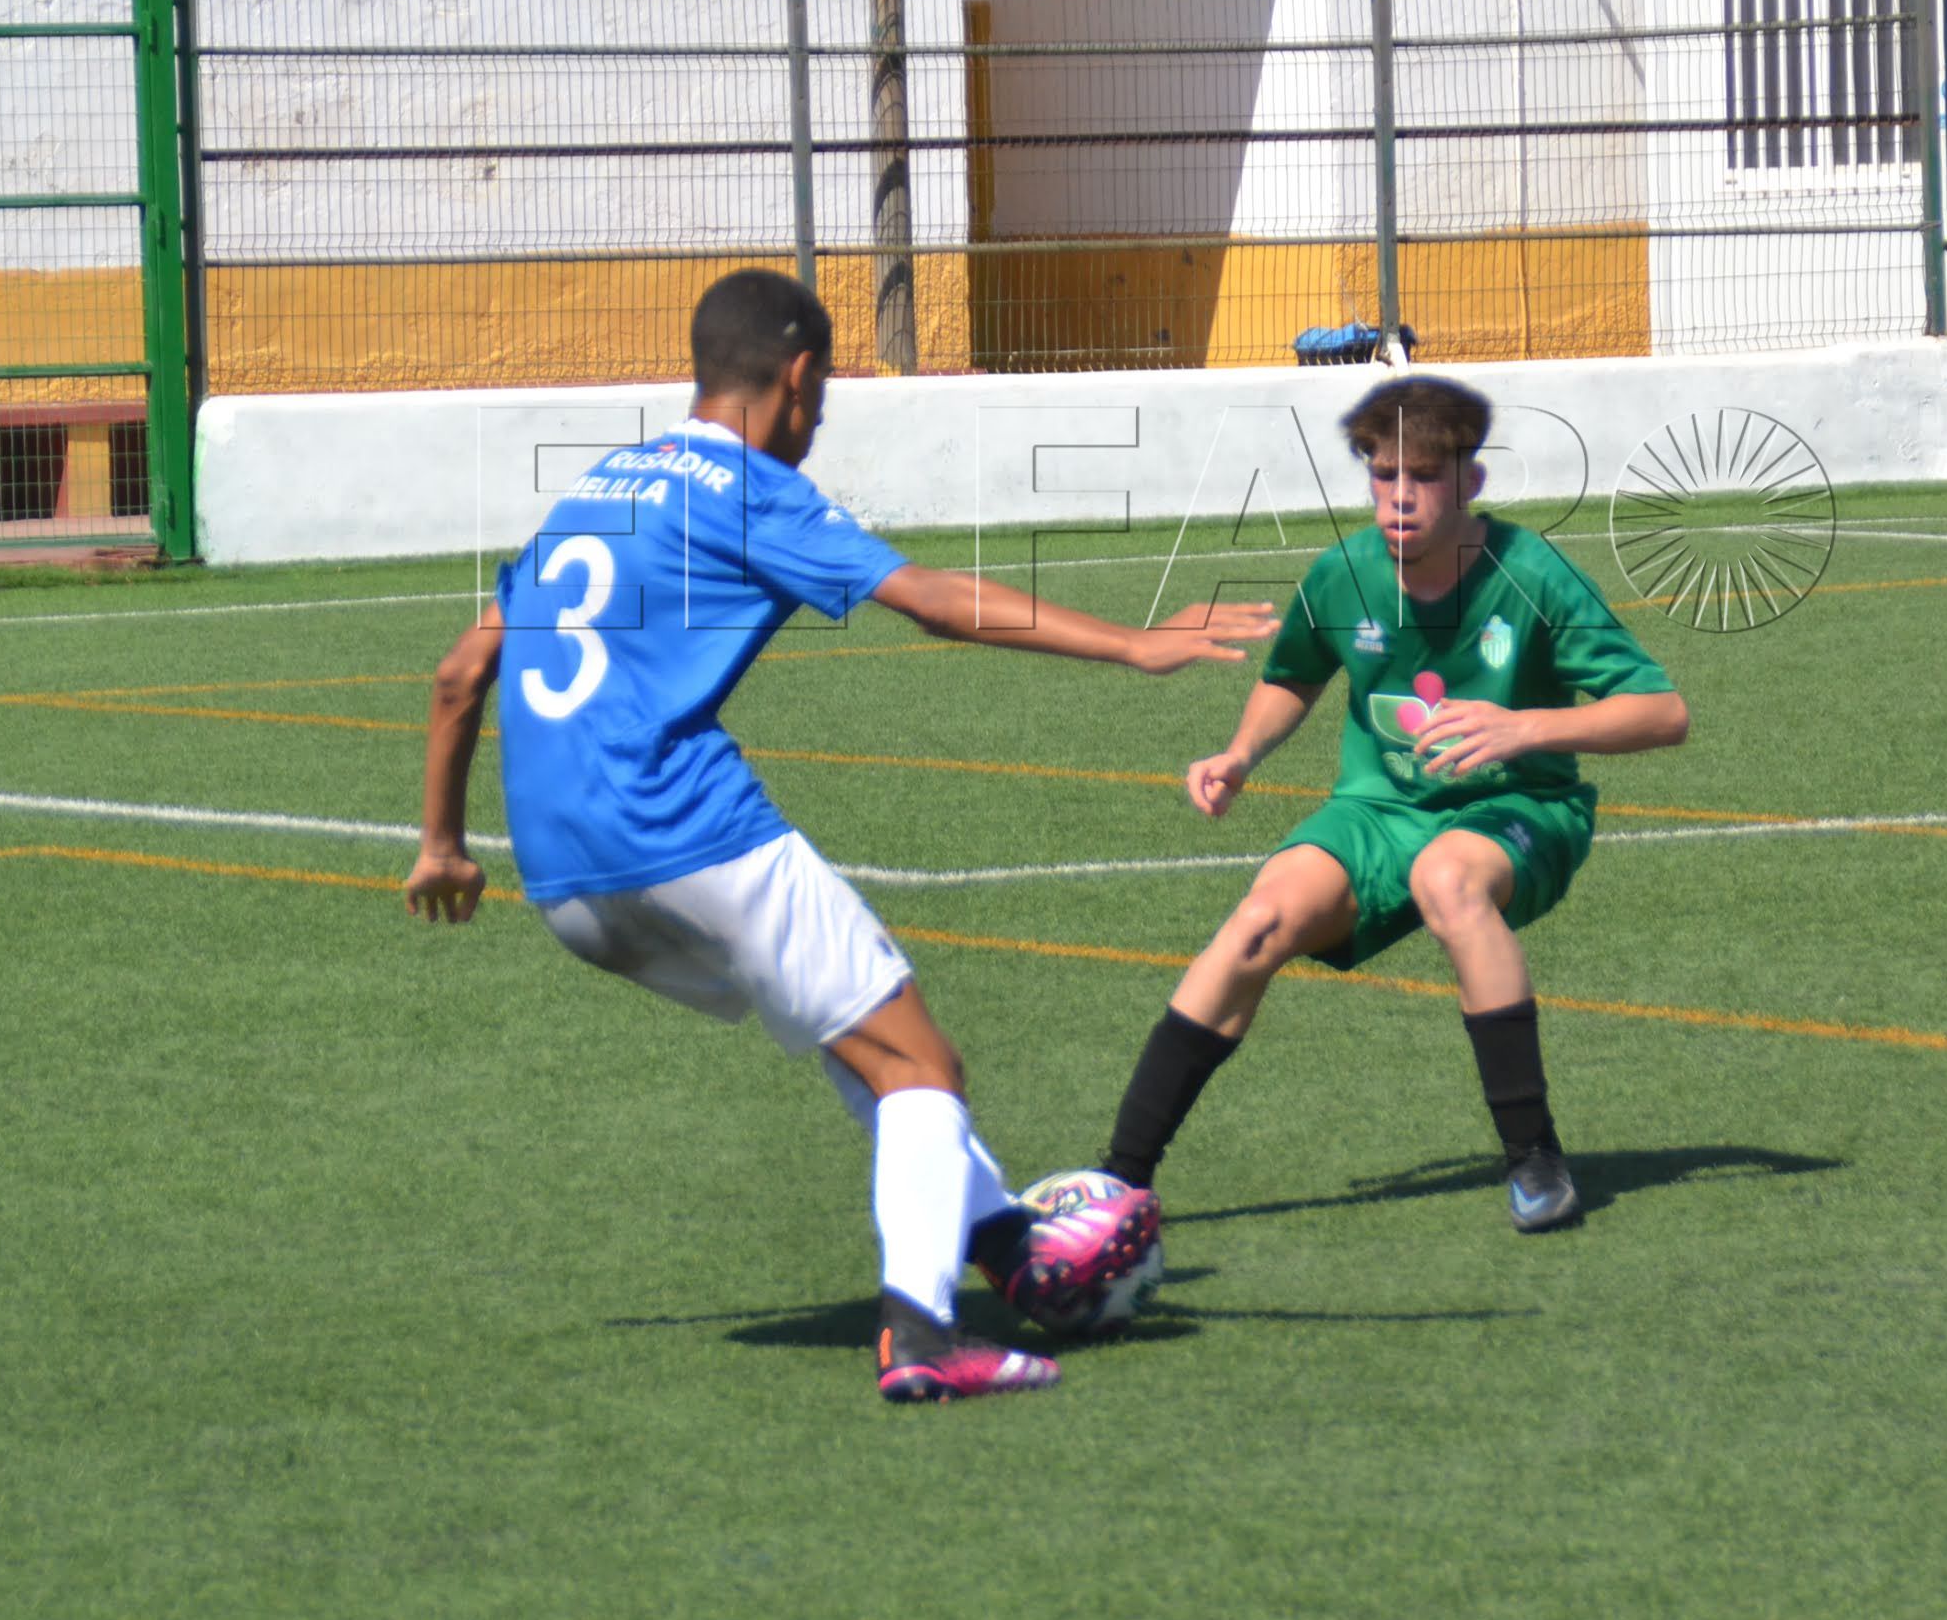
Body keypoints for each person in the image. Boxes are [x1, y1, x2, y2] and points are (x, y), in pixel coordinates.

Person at [404, 268, 1274, 1404]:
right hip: (682, 827)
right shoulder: (752, 488)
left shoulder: (599, 488)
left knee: (852, 1038)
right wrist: (1132, 644)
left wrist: (442, 846)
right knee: (922, 1064)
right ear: (801, 377)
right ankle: (924, 1338)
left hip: (567, 880)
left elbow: (460, 673)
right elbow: (927, 598)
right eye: (825, 397)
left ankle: (1007, 1245)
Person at [1093, 373, 1690, 1233]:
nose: (1399, 497)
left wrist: (1523, 729)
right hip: (1375, 811)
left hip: (1516, 807)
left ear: (1471, 482)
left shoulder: (1531, 573)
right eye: (1382, 475)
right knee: (1258, 921)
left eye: (1424, 476)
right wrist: (1240, 754)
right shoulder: (1343, 573)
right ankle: (1119, 1180)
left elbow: (1664, 714)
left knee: (1449, 880)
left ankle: (1534, 1157)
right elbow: (1293, 675)